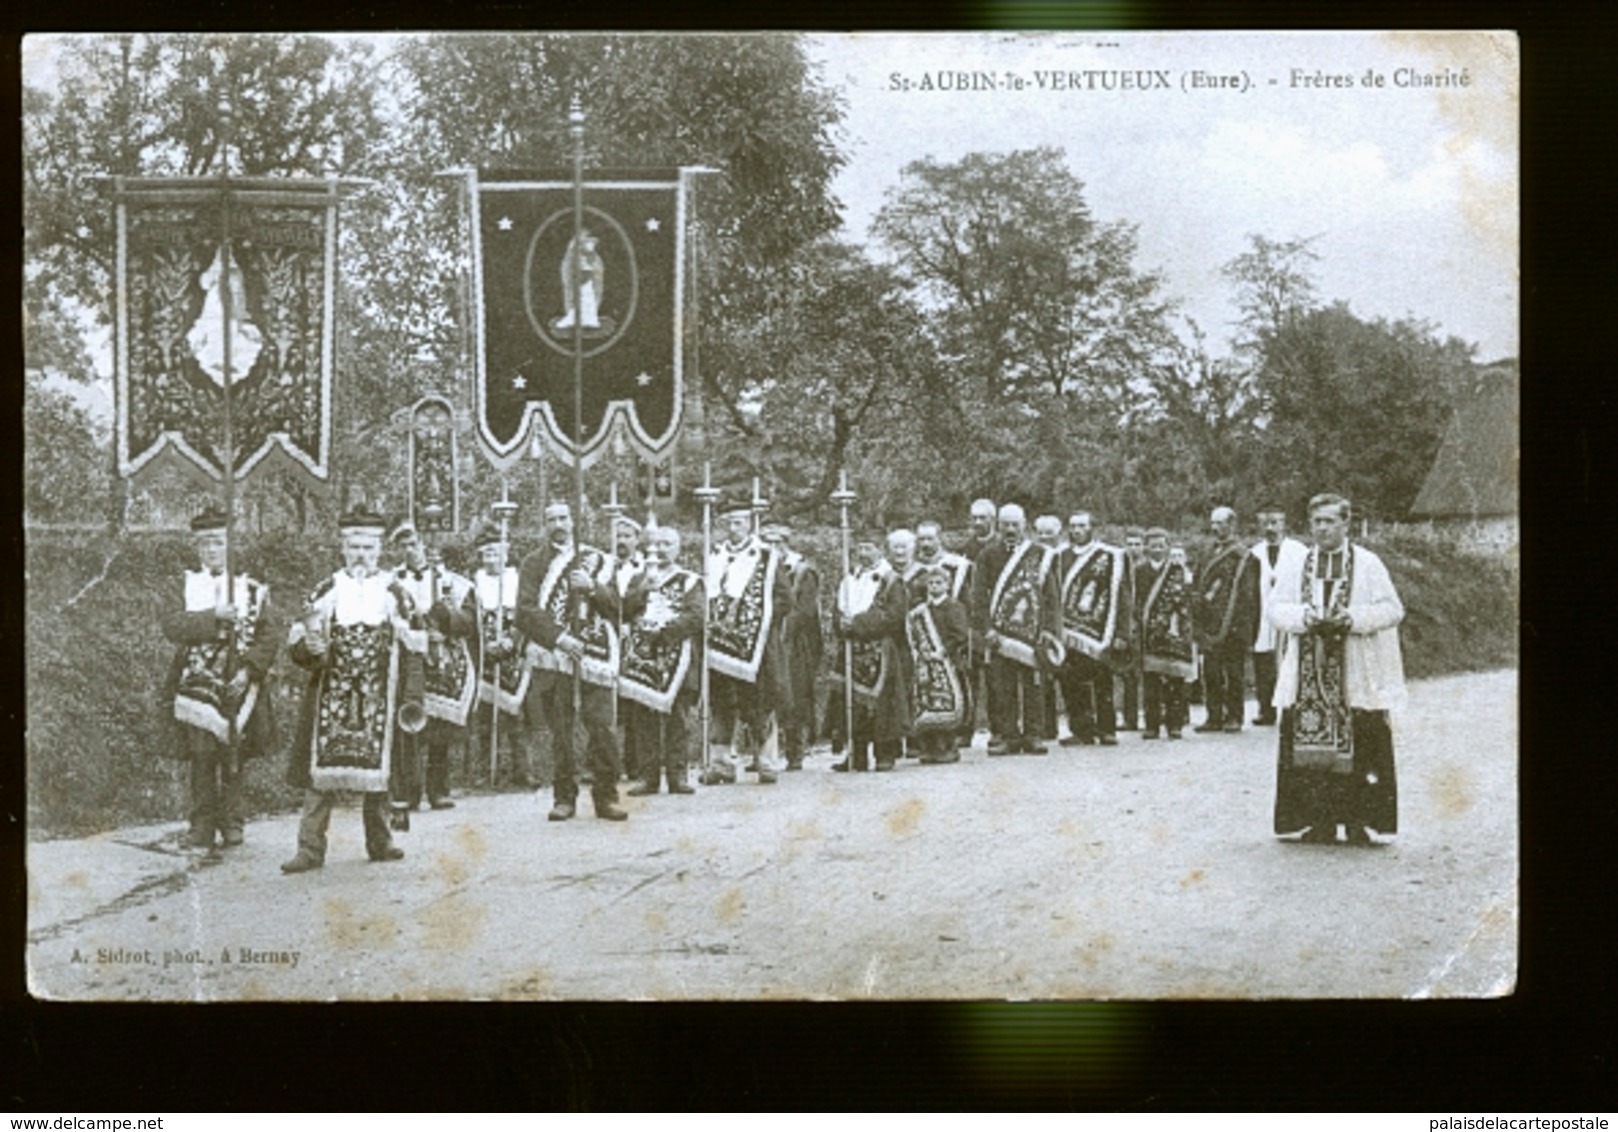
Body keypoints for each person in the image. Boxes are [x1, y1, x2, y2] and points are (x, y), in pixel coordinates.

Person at [281, 506, 425, 873]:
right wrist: (309, 651)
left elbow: (414, 650)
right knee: (320, 774)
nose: (361, 554)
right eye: (354, 546)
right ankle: (310, 848)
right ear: (343, 548)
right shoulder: (325, 590)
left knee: (380, 772)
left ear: (380, 549)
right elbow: (298, 646)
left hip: (381, 696)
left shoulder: (397, 593)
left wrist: (412, 697)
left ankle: (380, 841)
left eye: (368, 547)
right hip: (331, 696)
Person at [1271, 494, 1405, 845]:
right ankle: (1319, 822)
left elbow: (1393, 609)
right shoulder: (1297, 564)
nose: (1322, 528)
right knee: (1307, 742)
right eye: (1317, 521)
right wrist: (1304, 617)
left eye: (1330, 521)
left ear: (1346, 524)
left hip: (1356, 667)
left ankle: (1359, 822)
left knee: (1362, 740)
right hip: (1308, 670)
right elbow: (1275, 608)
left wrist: (1354, 619)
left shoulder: (1368, 563)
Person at [159, 507, 279, 850]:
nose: (211, 550)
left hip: (238, 682)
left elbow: (269, 636)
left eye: (217, 542)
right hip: (195, 682)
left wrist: (248, 670)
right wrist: (214, 617)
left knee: (234, 754)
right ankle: (201, 824)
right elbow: (172, 625)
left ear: (230, 545)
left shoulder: (251, 588)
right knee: (201, 754)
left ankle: (233, 821)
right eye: (204, 543)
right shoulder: (185, 584)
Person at [516, 501, 628, 822]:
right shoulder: (533, 563)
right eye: (551, 519)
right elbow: (525, 611)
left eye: (563, 518)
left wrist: (593, 588)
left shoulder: (599, 561)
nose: (558, 524)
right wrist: (559, 638)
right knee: (561, 729)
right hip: (554, 655)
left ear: (574, 522)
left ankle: (606, 796)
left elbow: (619, 608)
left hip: (594, 653)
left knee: (601, 727)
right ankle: (564, 797)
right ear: (544, 524)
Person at [389, 522, 477, 812]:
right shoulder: (390, 583)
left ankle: (438, 789)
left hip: (444, 659)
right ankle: (408, 791)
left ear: (423, 544)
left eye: (413, 543)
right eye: (402, 546)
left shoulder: (453, 582)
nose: (409, 550)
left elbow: (470, 620)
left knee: (441, 728)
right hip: (408, 659)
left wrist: (447, 623)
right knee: (409, 724)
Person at [702, 501, 790, 785]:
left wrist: (757, 622)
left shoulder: (767, 557)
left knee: (760, 703)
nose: (732, 528)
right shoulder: (715, 555)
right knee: (722, 704)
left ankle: (766, 760)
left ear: (750, 524)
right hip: (720, 645)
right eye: (728, 522)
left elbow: (784, 598)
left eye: (738, 522)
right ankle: (721, 763)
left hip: (757, 647)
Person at [620, 523, 705, 797]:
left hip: (677, 656)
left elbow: (696, 616)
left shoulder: (690, 580)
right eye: (655, 545)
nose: (660, 550)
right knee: (644, 717)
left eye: (667, 544)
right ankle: (648, 777)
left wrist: (665, 632)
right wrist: (643, 590)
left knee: (677, 719)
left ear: (678, 548)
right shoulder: (637, 578)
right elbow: (624, 611)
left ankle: (677, 775)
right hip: (644, 658)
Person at [973, 503, 1063, 755]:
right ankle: (1008, 735)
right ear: (998, 526)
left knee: (1034, 686)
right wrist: (987, 628)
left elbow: (1051, 598)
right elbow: (978, 596)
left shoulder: (1040, 554)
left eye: (1015, 524)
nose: (1010, 530)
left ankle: (1034, 734)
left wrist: (1048, 630)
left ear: (1025, 525)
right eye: (1005, 525)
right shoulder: (987, 555)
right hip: (999, 634)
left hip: (1032, 633)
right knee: (1003, 687)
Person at [829, 530, 912, 772]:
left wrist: (858, 624)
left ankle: (885, 753)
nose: (863, 553)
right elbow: (838, 608)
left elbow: (894, 616)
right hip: (851, 648)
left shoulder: (891, 580)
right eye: (860, 548)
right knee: (851, 702)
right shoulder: (849, 579)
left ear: (880, 550)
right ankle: (857, 753)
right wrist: (841, 623)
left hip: (880, 649)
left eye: (869, 548)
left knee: (882, 704)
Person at [1055, 511, 1134, 747]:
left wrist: (1122, 632)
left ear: (1092, 528)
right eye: (1073, 526)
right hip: (1069, 634)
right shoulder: (1061, 556)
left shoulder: (1111, 556)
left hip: (1101, 633)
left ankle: (1107, 729)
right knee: (1071, 682)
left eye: (1081, 526)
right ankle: (1082, 730)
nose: (1076, 530)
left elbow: (1123, 598)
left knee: (1103, 681)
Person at [471, 524, 532, 788]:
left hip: (512, 654)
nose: (491, 560)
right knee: (485, 716)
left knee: (515, 715)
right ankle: (487, 770)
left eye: (496, 553)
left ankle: (522, 769)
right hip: (485, 656)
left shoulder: (517, 581)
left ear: (506, 554)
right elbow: (470, 620)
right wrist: (484, 646)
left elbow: (527, 617)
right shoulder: (474, 583)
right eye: (486, 554)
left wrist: (510, 642)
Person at [760, 522, 822, 772]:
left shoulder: (802, 571)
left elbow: (805, 610)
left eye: (777, 543)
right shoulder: (759, 567)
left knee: (795, 694)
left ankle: (796, 750)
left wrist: (778, 624)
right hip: (767, 638)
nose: (773, 548)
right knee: (765, 695)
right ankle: (764, 751)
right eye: (768, 543)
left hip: (795, 642)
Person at [1194, 506, 1262, 733]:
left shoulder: (1245, 557)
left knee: (1234, 673)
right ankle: (1213, 716)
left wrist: (1242, 627)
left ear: (1232, 525)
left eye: (1220, 523)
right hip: (1209, 623)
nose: (1215, 528)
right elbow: (1197, 586)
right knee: (1210, 672)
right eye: (1213, 523)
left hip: (1233, 625)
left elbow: (1249, 596)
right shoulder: (1206, 553)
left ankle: (1234, 716)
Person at [914, 519, 975, 749]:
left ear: (941, 538)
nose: (926, 543)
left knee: (958, 686)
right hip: (925, 644)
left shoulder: (956, 566)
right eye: (921, 539)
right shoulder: (915, 569)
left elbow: (968, 603)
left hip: (951, 640)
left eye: (930, 538)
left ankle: (961, 731)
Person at [1249, 504, 1309, 726]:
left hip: (1290, 613)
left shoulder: (1299, 552)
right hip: (1263, 616)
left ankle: (1291, 710)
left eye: (1275, 522)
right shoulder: (1254, 553)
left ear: (1285, 524)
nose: (1270, 528)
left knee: (1290, 661)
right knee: (1263, 663)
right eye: (1265, 523)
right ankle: (1266, 710)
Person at [906, 565, 969, 764]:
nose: (934, 586)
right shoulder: (921, 611)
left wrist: (943, 651)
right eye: (931, 583)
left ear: (948, 585)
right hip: (927, 664)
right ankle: (930, 747)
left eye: (939, 582)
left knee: (947, 703)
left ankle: (947, 747)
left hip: (948, 663)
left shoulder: (954, 607)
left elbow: (960, 634)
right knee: (929, 703)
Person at [1136, 528, 1195, 740]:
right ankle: (1152, 725)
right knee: (1151, 682)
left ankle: (1175, 724)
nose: (1157, 550)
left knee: (1175, 681)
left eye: (1161, 545)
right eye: (1153, 546)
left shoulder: (1179, 572)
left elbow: (1187, 603)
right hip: (1149, 634)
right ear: (1146, 548)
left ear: (1168, 547)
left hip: (1173, 632)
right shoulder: (1139, 571)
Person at [1115, 526, 1147, 732]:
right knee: (1128, 673)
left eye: (1137, 544)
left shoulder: (1146, 568)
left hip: (1146, 624)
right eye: (1130, 544)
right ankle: (1130, 717)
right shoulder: (1119, 567)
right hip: (1129, 625)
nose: (1133, 548)